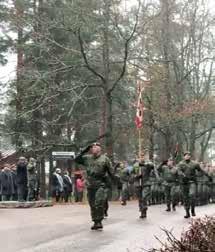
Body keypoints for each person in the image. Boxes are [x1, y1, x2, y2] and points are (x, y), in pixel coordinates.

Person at [75, 142, 115, 230]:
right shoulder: (87, 158)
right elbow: (76, 159)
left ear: (100, 149)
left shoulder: (105, 159)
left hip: (101, 184)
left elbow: (111, 172)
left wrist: (115, 183)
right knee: (92, 204)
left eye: (96, 147)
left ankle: (99, 221)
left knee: (99, 202)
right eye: (92, 147)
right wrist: (84, 150)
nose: (94, 148)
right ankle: (95, 221)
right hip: (90, 184)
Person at [177, 151, 212, 218]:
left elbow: (201, 170)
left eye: (188, 155)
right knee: (185, 198)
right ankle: (187, 212)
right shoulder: (181, 163)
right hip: (184, 183)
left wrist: (208, 176)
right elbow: (178, 170)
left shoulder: (194, 164)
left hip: (192, 182)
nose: (187, 156)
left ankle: (193, 209)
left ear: (190, 156)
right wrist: (182, 174)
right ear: (184, 156)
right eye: (186, 155)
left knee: (192, 195)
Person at [133, 153, 155, 219]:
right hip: (138, 184)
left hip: (146, 183)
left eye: (143, 157)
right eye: (140, 157)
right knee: (140, 199)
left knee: (144, 197)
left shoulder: (148, 164)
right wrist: (136, 176)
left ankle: (144, 209)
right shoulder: (135, 165)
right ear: (138, 158)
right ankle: (143, 211)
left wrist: (144, 164)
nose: (142, 158)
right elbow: (132, 174)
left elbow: (152, 166)